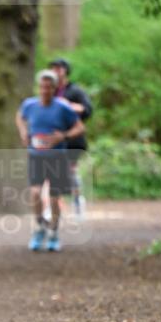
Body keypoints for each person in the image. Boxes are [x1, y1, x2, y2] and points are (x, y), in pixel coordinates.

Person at [15, 70, 85, 252]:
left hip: (57, 159)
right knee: (35, 194)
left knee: (54, 198)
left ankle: (53, 232)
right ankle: (39, 228)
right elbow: (20, 117)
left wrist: (63, 136)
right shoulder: (29, 105)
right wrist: (23, 132)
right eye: (42, 87)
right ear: (39, 87)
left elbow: (79, 127)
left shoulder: (63, 108)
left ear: (55, 88)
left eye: (49, 87)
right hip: (36, 157)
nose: (45, 90)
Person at [48, 57, 93, 216]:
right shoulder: (48, 91)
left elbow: (87, 110)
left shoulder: (75, 91)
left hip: (72, 139)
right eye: (53, 68)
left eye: (59, 68)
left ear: (65, 71)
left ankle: (77, 203)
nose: (56, 71)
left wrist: (67, 106)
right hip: (52, 139)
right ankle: (53, 206)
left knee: (71, 173)